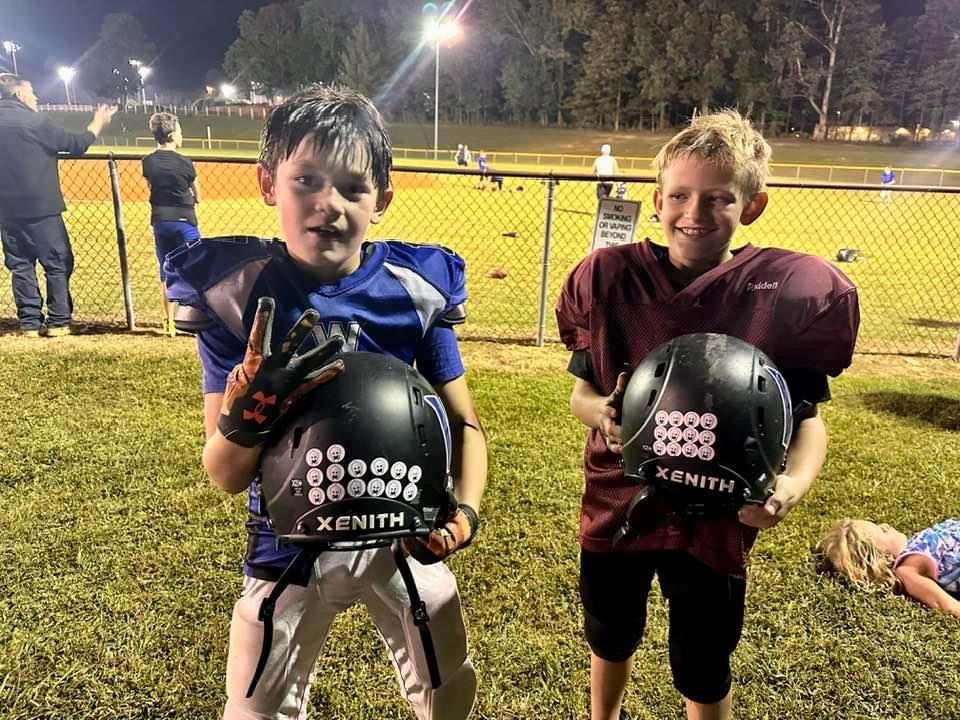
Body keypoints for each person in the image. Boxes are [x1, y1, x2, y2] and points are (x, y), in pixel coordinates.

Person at [163, 85, 487, 720]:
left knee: (448, 693)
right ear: (267, 184)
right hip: (288, 540)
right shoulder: (240, 294)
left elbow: (465, 422)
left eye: (351, 187)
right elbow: (225, 475)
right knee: (254, 708)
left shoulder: (412, 291)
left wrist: (466, 513)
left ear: (383, 199)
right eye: (305, 179)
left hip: (403, 531)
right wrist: (252, 410)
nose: (327, 204)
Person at [556, 110, 860, 720]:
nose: (694, 213)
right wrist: (604, 414)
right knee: (609, 633)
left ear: (752, 205)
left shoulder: (783, 291)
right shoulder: (610, 278)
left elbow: (806, 420)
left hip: (719, 512)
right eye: (680, 195)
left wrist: (790, 488)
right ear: (657, 200)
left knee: (703, 657)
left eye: (718, 198)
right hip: (620, 496)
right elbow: (581, 394)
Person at [0, 73, 115, 337]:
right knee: (57, 262)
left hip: (6, 210)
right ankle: (58, 321)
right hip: (42, 208)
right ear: (18, 94)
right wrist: (97, 123)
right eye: (32, 91)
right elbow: (75, 145)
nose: (36, 97)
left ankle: (29, 323)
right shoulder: (35, 121)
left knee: (20, 265)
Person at [818, 518, 960, 618]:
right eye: (883, 531)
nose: (886, 525)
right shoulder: (907, 568)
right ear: (885, 558)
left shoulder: (916, 544)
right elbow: (943, 604)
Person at [142, 111, 201, 336]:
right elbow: (199, 195)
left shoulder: (148, 162)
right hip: (185, 220)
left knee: (166, 272)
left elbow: (151, 186)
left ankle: (168, 323)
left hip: (160, 220)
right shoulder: (185, 162)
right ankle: (191, 319)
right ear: (174, 133)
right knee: (194, 269)